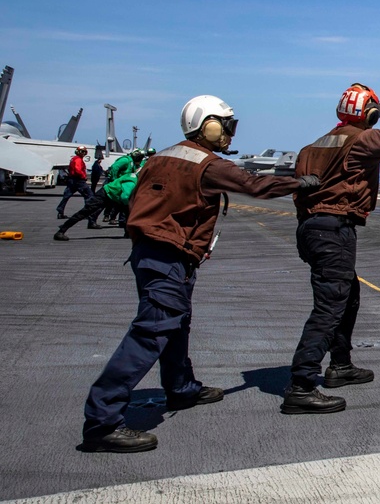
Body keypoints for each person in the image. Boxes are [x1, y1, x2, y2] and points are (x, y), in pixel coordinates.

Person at [80, 95, 322, 453]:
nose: (228, 133)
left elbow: (135, 200)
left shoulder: (160, 157)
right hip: (167, 256)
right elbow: (256, 185)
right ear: (207, 124)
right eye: (225, 126)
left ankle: (180, 389)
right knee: (152, 331)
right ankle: (102, 420)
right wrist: (301, 184)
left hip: (149, 253)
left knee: (175, 324)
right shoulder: (207, 165)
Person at [282, 63, 380, 415]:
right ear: (370, 113)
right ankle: (301, 384)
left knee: (348, 295)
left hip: (312, 229)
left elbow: (299, 194)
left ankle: (340, 365)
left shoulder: (312, 146)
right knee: (330, 305)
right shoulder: (363, 138)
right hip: (334, 230)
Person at [53, 170, 138, 240]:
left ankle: (128, 233)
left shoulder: (133, 175)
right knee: (85, 212)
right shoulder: (133, 181)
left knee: (127, 213)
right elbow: (125, 197)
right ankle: (61, 231)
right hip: (105, 194)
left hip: (113, 196)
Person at [101, 149, 144, 225]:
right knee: (106, 201)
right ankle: (99, 218)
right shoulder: (126, 160)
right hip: (115, 183)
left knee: (118, 203)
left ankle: (116, 219)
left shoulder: (133, 163)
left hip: (122, 184)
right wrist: (114, 179)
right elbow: (115, 167)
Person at [56, 146, 94, 218]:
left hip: (72, 180)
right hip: (79, 181)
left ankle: (60, 210)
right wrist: (83, 176)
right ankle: (88, 213)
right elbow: (78, 169)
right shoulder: (78, 160)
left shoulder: (73, 159)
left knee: (66, 196)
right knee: (89, 195)